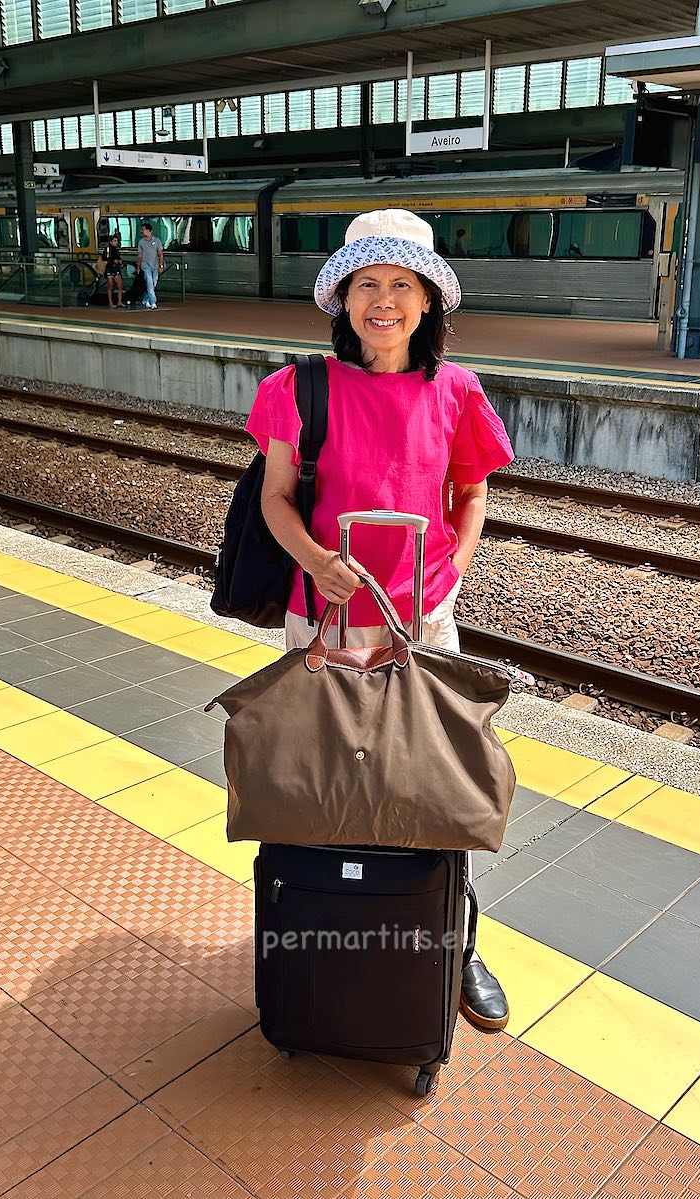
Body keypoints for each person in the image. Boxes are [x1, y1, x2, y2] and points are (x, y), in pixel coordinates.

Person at [246, 208, 515, 1031]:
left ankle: (453, 940)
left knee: (435, 785)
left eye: (403, 284)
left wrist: (451, 573)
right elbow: (276, 498)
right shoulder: (297, 389)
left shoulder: (456, 390)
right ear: (344, 298)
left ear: (429, 301)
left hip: (422, 627)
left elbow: (472, 494)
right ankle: (323, 925)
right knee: (323, 783)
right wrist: (315, 560)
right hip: (323, 622)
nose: (385, 300)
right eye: (368, 283)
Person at [136, 221, 164, 309]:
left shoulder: (157, 240)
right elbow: (140, 255)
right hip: (145, 266)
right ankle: (153, 302)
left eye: (143, 229)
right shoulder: (141, 242)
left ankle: (145, 299)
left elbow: (160, 254)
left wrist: (161, 265)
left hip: (155, 266)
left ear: (149, 231)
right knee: (149, 282)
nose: (142, 231)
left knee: (153, 283)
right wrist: (138, 267)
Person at [102, 234, 123, 309]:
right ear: (111, 242)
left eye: (117, 241)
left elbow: (118, 258)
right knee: (110, 286)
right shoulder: (107, 249)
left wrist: (119, 261)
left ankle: (119, 302)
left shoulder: (116, 250)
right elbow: (105, 258)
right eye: (115, 241)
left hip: (116, 269)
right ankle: (110, 302)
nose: (116, 242)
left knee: (120, 285)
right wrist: (114, 261)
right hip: (109, 269)